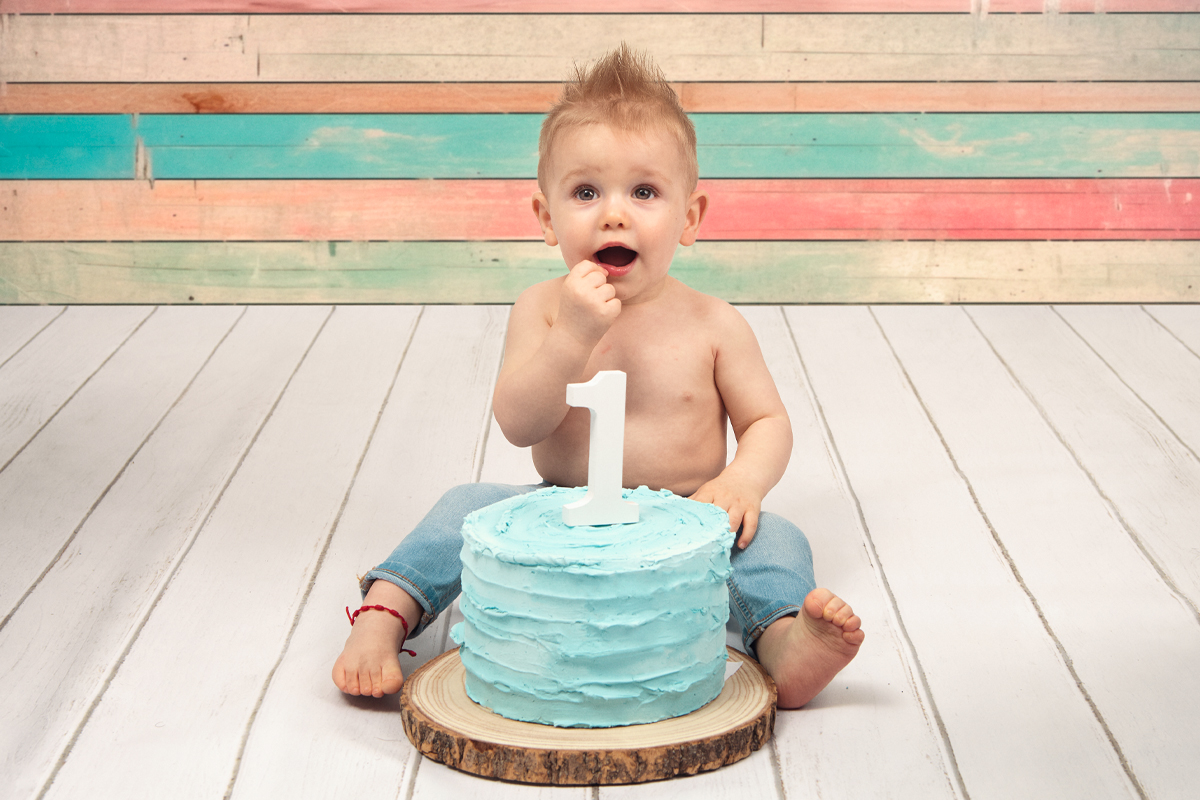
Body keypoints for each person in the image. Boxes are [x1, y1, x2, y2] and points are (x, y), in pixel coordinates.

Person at [332, 44, 863, 709]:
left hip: (689, 518)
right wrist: (572, 337)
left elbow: (766, 421)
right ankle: (382, 619)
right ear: (547, 218)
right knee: (463, 507)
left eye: (644, 191)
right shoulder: (542, 307)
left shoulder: (714, 323)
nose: (614, 213)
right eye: (586, 192)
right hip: (563, 509)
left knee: (778, 538)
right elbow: (519, 423)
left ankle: (784, 642)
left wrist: (740, 482)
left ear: (690, 218)